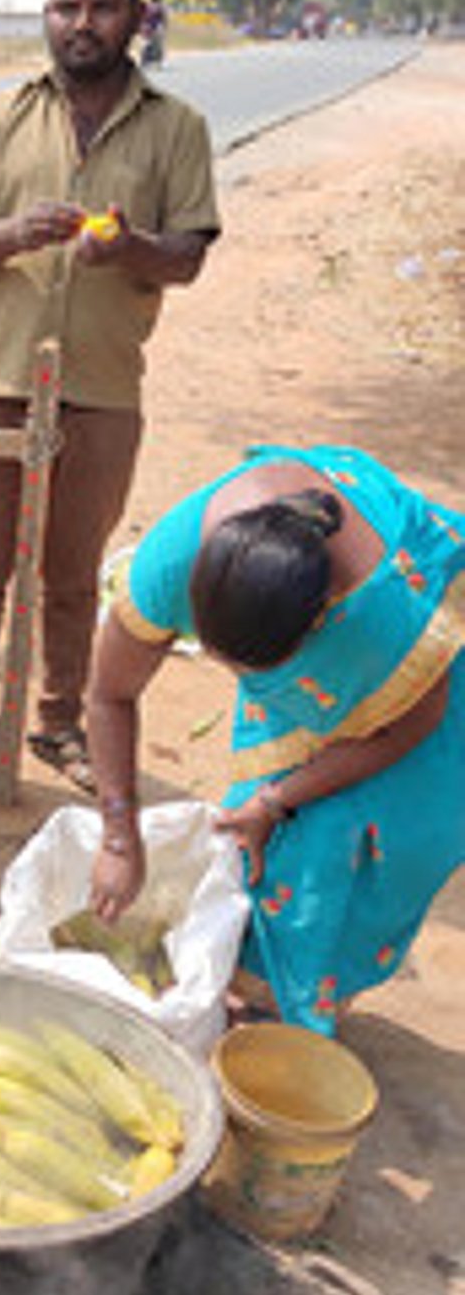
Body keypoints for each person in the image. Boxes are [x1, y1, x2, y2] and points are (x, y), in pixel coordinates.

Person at [0, 0, 219, 807]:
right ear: (46, 12)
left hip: (101, 394)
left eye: (101, 5)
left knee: (69, 578)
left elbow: (189, 256)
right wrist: (11, 234)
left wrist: (130, 247)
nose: (80, 22)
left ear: (137, 14)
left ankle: (59, 724)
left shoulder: (177, 127)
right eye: (65, 4)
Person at [85, 442, 465, 1034]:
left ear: (317, 625)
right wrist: (117, 837)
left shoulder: (379, 611)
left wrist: (276, 800)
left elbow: (410, 724)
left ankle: (301, 1002)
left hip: (424, 691)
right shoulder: (169, 567)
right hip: (323, 660)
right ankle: (271, 994)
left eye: (257, 672)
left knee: (367, 848)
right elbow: (110, 694)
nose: (243, 685)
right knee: (265, 856)